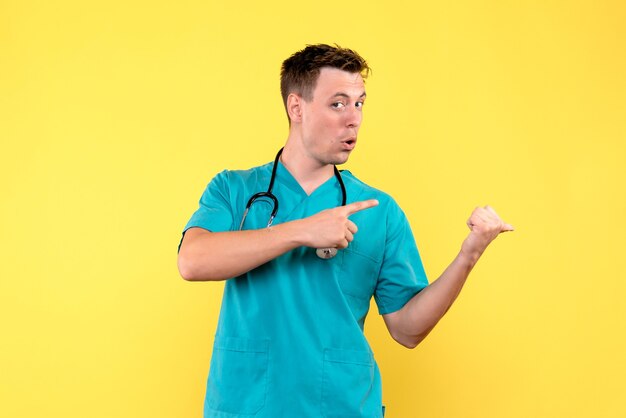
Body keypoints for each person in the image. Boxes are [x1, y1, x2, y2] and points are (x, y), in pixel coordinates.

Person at [177, 44, 513, 418]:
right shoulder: (233, 189)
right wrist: (302, 231)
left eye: (360, 103)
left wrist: (469, 254)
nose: (353, 118)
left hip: (341, 406)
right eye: (338, 104)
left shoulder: (380, 211)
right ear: (296, 108)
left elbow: (408, 329)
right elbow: (193, 261)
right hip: (248, 404)